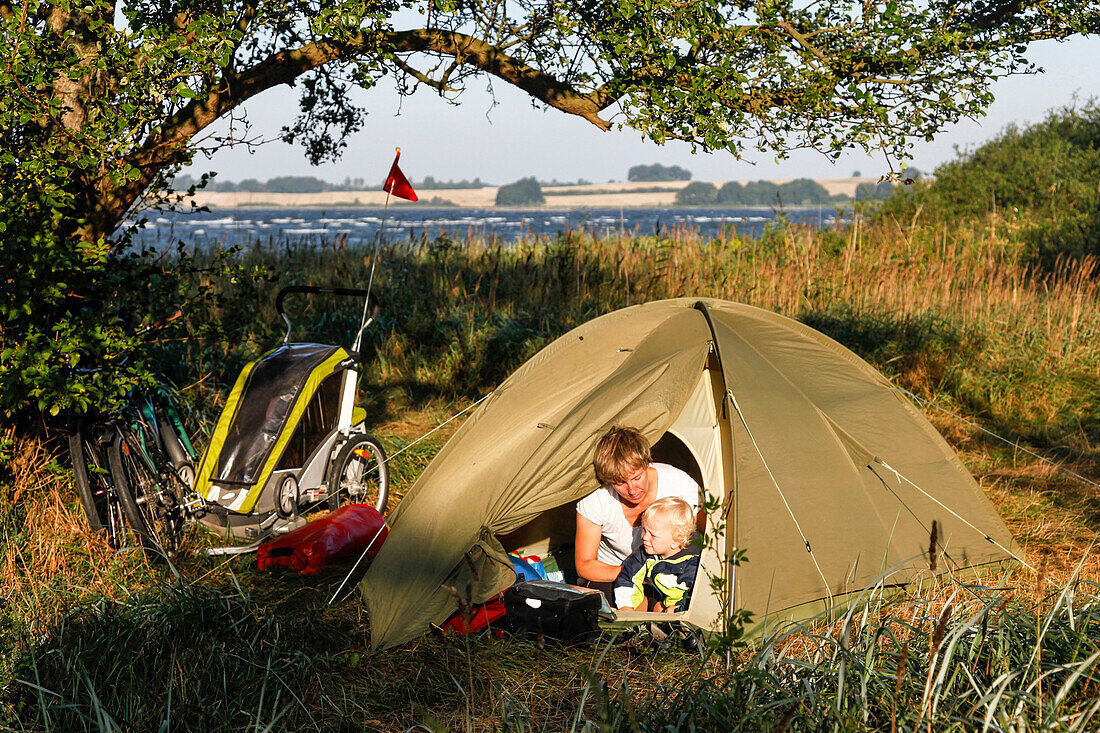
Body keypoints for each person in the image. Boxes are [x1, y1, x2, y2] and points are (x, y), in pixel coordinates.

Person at [574, 426, 702, 600]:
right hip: (617, 572)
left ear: (646, 463)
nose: (632, 490)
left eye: (637, 478)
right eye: (619, 483)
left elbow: (712, 537)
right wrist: (638, 574)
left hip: (670, 572)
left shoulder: (679, 485)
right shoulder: (596, 499)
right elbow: (585, 564)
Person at [612, 496, 700, 612]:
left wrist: (679, 608)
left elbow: (697, 593)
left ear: (676, 541)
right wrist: (626, 605)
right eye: (644, 530)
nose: (644, 537)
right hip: (664, 600)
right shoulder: (646, 554)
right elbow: (628, 577)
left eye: (652, 535)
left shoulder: (692, 563)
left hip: (687, 609)